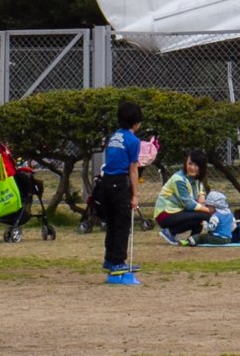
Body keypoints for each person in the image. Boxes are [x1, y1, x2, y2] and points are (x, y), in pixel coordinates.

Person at [91, 99, 143, 284]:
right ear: (136, 123)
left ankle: (109, 258)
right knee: (122, 224)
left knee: (112, 223)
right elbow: (133, 168)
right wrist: (135, 194)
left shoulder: (114, 136)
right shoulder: (133, 141)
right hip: (119, 183)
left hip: (105, 182)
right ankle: (118, 261)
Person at [152, 150, 220, 243]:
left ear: (201, 167)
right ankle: (220, 235)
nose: (192, 167)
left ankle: (192, 240)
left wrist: (202, 200)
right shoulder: (179, 179)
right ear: (185, 163)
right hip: (164, 214)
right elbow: (189, 204)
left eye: (196, 165)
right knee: (203, 214)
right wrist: (209, 211)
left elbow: (201, 193)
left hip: (178, 211)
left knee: (199, 220)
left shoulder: (196, 178)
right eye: (190, 164)